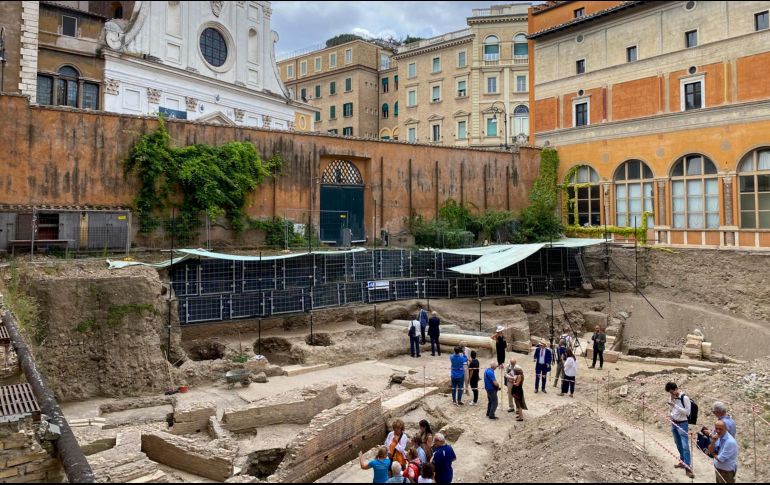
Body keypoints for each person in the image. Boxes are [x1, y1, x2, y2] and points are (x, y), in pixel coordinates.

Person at [666, 382, 695, 479]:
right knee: (678, 443)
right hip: (674, 423)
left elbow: (687, 412)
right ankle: (682, 461)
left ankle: (688, 467)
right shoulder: (672, 396)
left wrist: (675, 405)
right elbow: (672, 406)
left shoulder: (685, 398)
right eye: (670, 393)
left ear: (676, 389)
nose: (671, 394)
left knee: (685, 445)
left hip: (682, 424)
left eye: (672, 392)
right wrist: (672, 404)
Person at [708, 419, 739, 484]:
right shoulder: (718, 437)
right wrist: (713, 441)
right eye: (716, 428)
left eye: (720, 429)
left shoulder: (730, 442)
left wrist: (713, 454)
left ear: (726, 429)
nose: (718, 431)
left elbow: (720, 459)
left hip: (726, 472)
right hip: (718, 469)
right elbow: (710, 450)